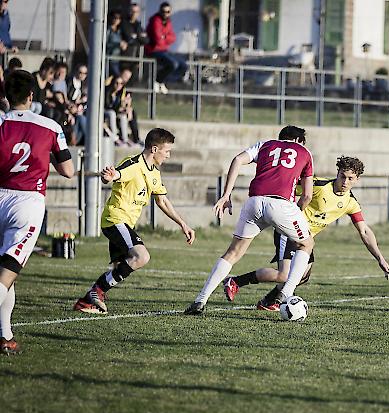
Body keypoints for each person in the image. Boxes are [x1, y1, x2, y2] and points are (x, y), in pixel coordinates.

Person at [223, 156, 389, 311]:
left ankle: (269, 301)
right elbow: (287, 189)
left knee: (302, 276)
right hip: (289, 230)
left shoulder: (350, 202)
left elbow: (364, 230)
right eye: (343, 176)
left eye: (350, 178)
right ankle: (236, 282)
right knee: (284, 275)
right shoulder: (318, 186)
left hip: (306, 239)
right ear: (338, 173)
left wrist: (380, 258)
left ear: (357, 180)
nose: (345, 181)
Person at [184, 125, 315, 315]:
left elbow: (237, 160)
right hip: (281, 204)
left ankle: (200, 301)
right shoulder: (304, 152)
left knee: (233, 252)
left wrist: (226, 195)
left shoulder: (265, 145)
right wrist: (295, 212)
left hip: (254, 202)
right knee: (306, 244)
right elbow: (307, 196)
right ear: (298, 141)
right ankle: (286, 295)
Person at [73, 128, 195, 314]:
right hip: (115, 219)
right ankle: (96, 292)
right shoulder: (133, 164)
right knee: (141, 256)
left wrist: (183, 224)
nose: (168, 156)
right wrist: (109, 176)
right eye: (167, 151)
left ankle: (87, 301)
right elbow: (117, 175)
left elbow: (161, 200)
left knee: (121, 266)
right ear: (154, 149)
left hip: (125, 223)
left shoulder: (154, 172)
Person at [0, 70, 74, 354]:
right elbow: (68, 171)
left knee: (7, 273)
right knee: (8, 272)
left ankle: (5, 335)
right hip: (26, 203)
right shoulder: (50, 126)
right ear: (32, 95)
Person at [144, 2, 187, 94]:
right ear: (160, 11)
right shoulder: (155, 21)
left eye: (167, 12)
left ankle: (161, 80)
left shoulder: (168, 22)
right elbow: (158, 39)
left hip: (164, 50)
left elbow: (173, 37)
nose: (165, 14)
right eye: (163, 11)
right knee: (173, 64)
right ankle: (156, 80)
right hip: (153, 50)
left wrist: (164, 37)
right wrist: (165, 38)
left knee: (183, 65)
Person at [120, 2, 149, 72]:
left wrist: (136, 36)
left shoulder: (138, 25)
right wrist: (139, 37)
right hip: (125, 57)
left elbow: (146, 40)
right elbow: (129, 38)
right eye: (132, 11)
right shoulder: (123, 24)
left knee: (133, 79)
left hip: (136, 57)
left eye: (136, 12)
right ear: (129, 11)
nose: (134, 13)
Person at [106, 10, 128, 78]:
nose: (116, 20)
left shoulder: (119, 31)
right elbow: (105, 44)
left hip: (117, 58)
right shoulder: (108, 30)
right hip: (109, 58)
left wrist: (124, 44)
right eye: (115, 17)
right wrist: (118, 44)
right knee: (117, 76)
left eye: (119, 18)